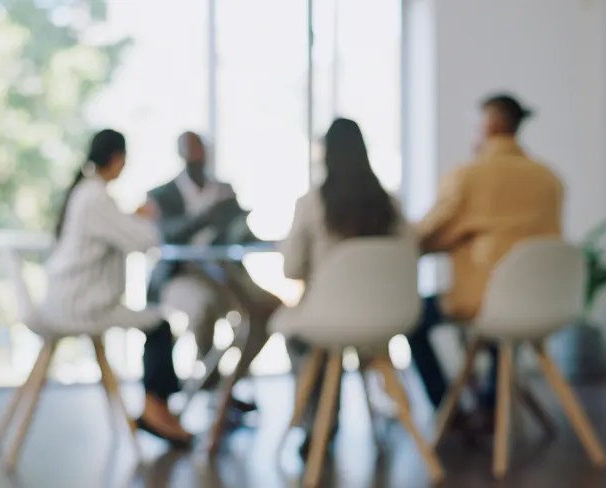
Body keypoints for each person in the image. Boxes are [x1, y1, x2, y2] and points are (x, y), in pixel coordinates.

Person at [411, 93, 564, 413]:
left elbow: (428, 232)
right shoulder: (549, 179)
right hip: (543, 299)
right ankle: (492, 400)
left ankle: (448, 410)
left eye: (475, 126)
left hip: (485, 301)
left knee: (413, 318)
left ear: (490, 125)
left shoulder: (470, 176)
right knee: (502, 304)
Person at [40, 129, 192, 447]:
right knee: (159, 325)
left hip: (68, 301)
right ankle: (155, 410)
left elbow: (111, 229)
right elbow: (145, 241)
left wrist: (128, 216)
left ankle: (159, 409)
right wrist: (147, 218)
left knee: (157, 323)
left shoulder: (86, 193)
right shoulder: (97, 197)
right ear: (117, 159)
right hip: (84, 306)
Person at [275, 118, 409, 456]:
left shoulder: (312, 204)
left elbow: (291, 268)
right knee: (320, 335)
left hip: (328, 320)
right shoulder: (391, 204)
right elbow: (411, 254)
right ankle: (387, 413)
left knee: (299, 338)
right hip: (385, 320)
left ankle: (317, 421)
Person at [147, 131, 280, 415]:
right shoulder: (162, 194)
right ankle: (209, 383)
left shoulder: (224, 190)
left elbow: (240, 235)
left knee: (268, 308)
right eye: (190, 151)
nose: (197, 157)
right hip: (182, 275)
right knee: (202, 308)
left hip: (225, 272)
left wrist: (245, 224)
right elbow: (167, 235)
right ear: (180, 154)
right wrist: (208, 215)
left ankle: (228, 384)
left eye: (200, 150)